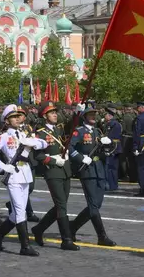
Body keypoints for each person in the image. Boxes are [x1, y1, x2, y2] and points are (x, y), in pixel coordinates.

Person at [0, 104, 47, 256]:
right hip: (13, 175)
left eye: (18, 116)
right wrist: (2, 167)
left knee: (15, 214)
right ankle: (24, 246)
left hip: (25, 173)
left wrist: (34, 143)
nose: (17, 118)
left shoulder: (24, 134)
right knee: (21, 212)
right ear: (6, 121)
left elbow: (44, 143)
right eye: (13, 117)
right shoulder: (4, 137)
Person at [31, 101, 78, 251]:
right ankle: (66, 239)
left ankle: (38, 229)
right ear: (45, 116)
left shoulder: (59, 129)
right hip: (53, 171)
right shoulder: (40, 133)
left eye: (55, 112)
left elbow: (72, 126)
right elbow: (37, 155)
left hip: (65, 169)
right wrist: (52, 160)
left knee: (60, 204)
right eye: (51, 113)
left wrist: (78, 113)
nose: (55, 115)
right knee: (61, 205)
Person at [67, 107, 116, 247]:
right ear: (84, 116)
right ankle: (102, 236)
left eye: (95, 114)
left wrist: (109, 143)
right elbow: (69, 147)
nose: (94, 116)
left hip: (98, 168)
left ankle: (73, 226)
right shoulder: (79, 131)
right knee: (93, 205)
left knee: (97, 204)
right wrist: (81, 158)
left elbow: (106, 150)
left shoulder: (98, 131)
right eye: (90, 114)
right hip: (87, 169)